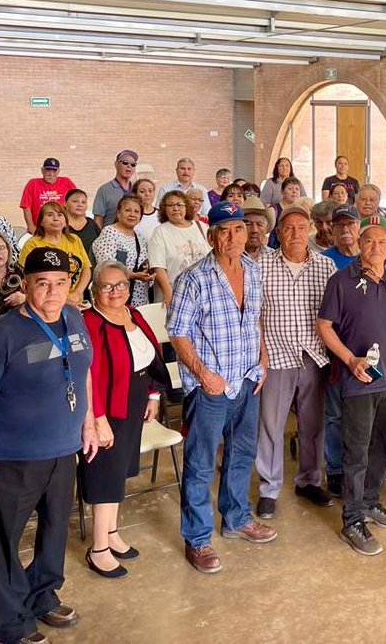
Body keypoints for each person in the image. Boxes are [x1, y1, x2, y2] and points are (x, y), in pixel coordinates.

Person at [0, 246, 99, 644]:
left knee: (56, 529)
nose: (53, 292)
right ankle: (13, 622)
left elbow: (82, 372)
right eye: (42, 284)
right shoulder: (1, 335)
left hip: (63, 449)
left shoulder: (74, 318)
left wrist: (88, 423)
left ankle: (42, 594)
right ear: (25, 286)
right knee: (5, 540)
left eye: (61, 284)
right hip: (13, 457)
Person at [169, 201, 275, 574]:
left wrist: (262, 358)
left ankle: (236, 519)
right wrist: (203, 374)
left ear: (248, 234)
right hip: (211, 386)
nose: (232, 237)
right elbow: (178, 334)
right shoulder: (193, 278)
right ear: (211, 236)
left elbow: (256, 320)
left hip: (248, 379)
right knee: (199, 464)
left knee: (242, 455)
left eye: (239, 229)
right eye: (224, 231)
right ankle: (197, 540)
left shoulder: (252, 269)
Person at [317, 215, 386, 556]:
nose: (375, 247)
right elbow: (324, 326)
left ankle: (371, 501)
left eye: (382, 242)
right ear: (359, 243)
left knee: (383, 443)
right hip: (359, 378)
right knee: (356, 449)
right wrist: (349, 359)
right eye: (369, 241)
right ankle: (352, 518)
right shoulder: (341, 280)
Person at [80, 261, 171, 578]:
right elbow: (88, 375)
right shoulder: (90, 322)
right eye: (107, 286)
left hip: (133, 401)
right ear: (95, 291)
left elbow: (152, 355)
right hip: (107, 407)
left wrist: (154, 395)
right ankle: (98, 548)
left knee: (119, 472)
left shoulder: (134, 314)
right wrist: (97, 419)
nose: (116, 291)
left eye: (121, 284)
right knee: (104, 475)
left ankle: (112, 533)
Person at [256, 202, 338, 519]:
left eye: (301, 227)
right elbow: (255, 318)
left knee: (314, 425)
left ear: (311, 231)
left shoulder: (325, 267)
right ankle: (269, 489)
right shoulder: (261, 266)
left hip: (315, 356)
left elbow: (333, 316)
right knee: (271, 426)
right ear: (278, 233)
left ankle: (308, 480)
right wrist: (260, 355)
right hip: (276, 356)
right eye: (288, 228)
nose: (295, 233)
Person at [18, 202, 92, 307]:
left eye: (60, 215)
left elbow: (86, 269)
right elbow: (24, 275)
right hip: (45, 302)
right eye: (49, 215)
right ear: (41, 222)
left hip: (74, 302)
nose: (55, 218)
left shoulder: (74, 240)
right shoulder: (32, 244)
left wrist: (77, 293)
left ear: (66, 221)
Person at [148, 189, 210, 306]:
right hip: (175, 294)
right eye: (170, 205)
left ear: (187, 207)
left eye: (179, 205)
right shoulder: (161, 231)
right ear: (164, 209)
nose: (175, 208)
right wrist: (168, 293)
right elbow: (158, 266)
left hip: (203, 294)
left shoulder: (202, 227)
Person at [92, 196, 152, 308]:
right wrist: (134, 275)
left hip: (139, 299)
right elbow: (106, 267)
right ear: (118, 213)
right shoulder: (109, 233)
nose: (132, 214)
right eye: (128, 210)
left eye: (136, 211)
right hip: (115, 296)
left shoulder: (140, 237)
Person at [20, 158, 77, 234]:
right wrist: (31, 226)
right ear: (42, 170)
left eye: (54, 171)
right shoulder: (33, 184)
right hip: (40, 229)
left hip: (62, 228)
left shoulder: (67, 182)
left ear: (58, 171)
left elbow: (76, 203)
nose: (51, 174)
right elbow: (26, 207)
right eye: (48, 170)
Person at [92, 150, 138, 227]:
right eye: (125, 162)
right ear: (116, 164)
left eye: (133, 164)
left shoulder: (137, 189)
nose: (129, 166)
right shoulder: (104, 190)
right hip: (111, 237)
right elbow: (98, 219)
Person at [63, 189, 100, 266]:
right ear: (65, 204)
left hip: (92, 268)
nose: (80, 204)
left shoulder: (91, 223)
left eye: (83, 202)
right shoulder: (59, 225)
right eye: (75, 201)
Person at [321, 204, 362, 270]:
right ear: (333, 229)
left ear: (359, 227)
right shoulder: (323, 260)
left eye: (350, 223)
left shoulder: (370, 255)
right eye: (340, 224)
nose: (345, 230)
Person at [242, 196, 276, 262]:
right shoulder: (231, 256)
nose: (254, 230)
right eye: (248, 224)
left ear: (266, 228)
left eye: (259, 224)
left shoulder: (274, 257)